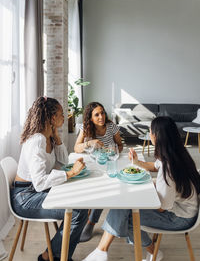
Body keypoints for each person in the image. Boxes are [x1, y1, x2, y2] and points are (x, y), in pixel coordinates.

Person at [82, 116, 200, 261]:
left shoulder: (167, 168)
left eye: (150, 130)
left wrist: (143, 193)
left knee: (129, 215)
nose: (149, 133)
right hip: (184, 209)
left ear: (156, 135)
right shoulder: (174, 153)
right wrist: (137, 162)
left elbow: (162, 207)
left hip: (180, 218)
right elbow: (154, 167)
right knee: (126, 207)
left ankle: (149, 251)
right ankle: (103, 250)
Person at [11, 96, 88, 261]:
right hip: (25, 198)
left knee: (81, 202)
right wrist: (69, 174)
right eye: (61, 113)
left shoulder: (47, 136)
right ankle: (49, 257)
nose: (65, 116)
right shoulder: (37, 140)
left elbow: (64, 161)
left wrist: (57, 139)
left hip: (36, 191)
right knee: (77, 211)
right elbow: (39, 183)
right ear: (52, 118)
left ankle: (60, 256)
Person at [74, 102, 123, 242]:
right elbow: (76, 148)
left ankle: (90, 223)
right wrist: (90, 142)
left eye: (102, 113)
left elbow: (120, 145)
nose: (101, 116)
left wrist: (115, 150)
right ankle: (82, 220)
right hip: (92, 164)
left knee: (104, 191)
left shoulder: (112, 126)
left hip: (109, 163)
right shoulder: (86, 128)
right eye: (97, 114)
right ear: (90, 118)